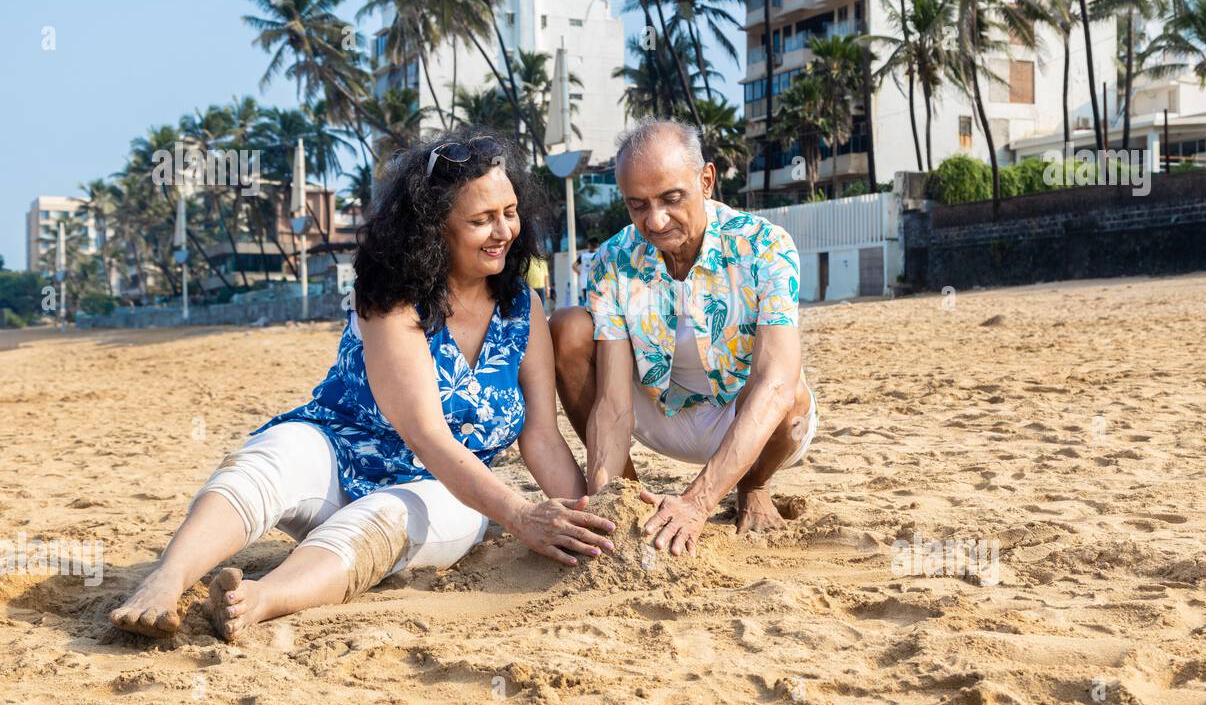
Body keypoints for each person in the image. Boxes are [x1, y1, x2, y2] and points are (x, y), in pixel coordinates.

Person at [110, 129, 616, 641]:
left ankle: (261, 598)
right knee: (272, 457)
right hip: (336, 459)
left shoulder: (521, 307)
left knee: (390, 517)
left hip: (446, 491)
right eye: (481, 219)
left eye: (509, 212)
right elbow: (427, 435)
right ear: (435, 226)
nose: (503, 230)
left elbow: (541, 436)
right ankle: (168, 577)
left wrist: (591, 518)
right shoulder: (391, 297)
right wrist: (522, 515)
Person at [549, 118, 817, 558]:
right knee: (568, 328)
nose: (655, 221)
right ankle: (630, 498)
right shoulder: (614, 258)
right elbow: (613, 403)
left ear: (706, 181)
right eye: (637, 205)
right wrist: (606, 502)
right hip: (661, 412)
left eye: (671, 199)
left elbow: (777, 385)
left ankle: (752, 485)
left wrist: (697, 502)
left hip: (745, 419)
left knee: (792, 401)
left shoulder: (765, 245)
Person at [572, 235, 599, 306]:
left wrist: (579, 272)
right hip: (595, 281)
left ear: (589, 245)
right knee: (595, 302)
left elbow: (574, 266)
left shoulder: (583, 256)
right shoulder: (598, 255)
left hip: (584, 280)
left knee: (587, 302)